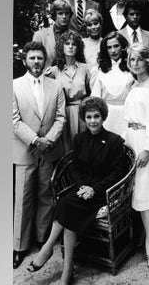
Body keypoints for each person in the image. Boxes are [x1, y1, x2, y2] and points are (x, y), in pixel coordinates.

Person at [26, 97, 128, 285]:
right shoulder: (79, 139)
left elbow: (117, 174)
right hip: (82, 191)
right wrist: (83, 186)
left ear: (103, 117)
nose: (92, 121)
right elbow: (75, 168)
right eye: (88, 117)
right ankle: (66, 270)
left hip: (103, 193)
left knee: (66, 205)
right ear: (83, 118)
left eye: (96, 116)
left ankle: (49, 251)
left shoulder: (114, 141)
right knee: (69, 206)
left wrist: (94, 189)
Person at [12, 41, 67, 269]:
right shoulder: (13, 86)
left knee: (46, 194)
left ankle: (42, 238)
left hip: (49, 149)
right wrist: (35, 140)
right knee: (23, 199)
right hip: (25, 149)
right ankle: (19, 246)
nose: (36, 62)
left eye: (40, 58)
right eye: (32, 58)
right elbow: (13, 120)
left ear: (46, 61)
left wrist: (48, 141)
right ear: (25, 60)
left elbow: (61, 118)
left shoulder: (56, 86)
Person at [122, 43, 149, 268]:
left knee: (146, 195)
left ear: (148, 61)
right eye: (131, 60)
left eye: (139, 59)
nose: (135, 64)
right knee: (132, 191)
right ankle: (137, 237)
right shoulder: (133, 84)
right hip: (131, 139)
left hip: (146, 143)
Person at [45, 30, 91, 153]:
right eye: (67, 43)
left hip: (82, 112)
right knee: (66, 149)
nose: (70, 46)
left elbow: (91, 92)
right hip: (62, 113)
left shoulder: (85, 68)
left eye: (74, 44)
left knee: (84, 147)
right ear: (61, 46)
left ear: (78, 47)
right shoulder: (54, 71)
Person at [90, 31, 133, 135]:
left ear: (122, 47)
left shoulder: (131, 69)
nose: (113, 50)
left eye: (116, 46)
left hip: (127, 115)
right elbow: (95, 100)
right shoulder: (98, 71)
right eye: (109, 47)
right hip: (107, 118)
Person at [32, 0, 75, 68]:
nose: (64, 17)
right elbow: (34, 62)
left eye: (67, 13)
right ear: (54, 15)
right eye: (60, 13)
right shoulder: (40, 36)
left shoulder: (75, 36)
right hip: (46, 76)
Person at [81, 9, 103, 87]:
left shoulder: (105, 43)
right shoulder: (82, 43)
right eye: (89, 25)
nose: (93, 27)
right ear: (86, 28)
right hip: (85, 83)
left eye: (96, 23)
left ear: (100, 24)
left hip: (102, 82)